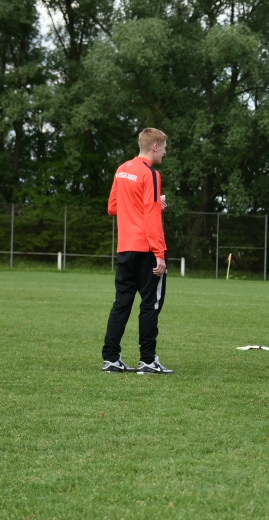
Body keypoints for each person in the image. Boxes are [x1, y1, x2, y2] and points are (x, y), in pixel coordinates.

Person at [101, 128, 174, 374]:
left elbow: (113, 207)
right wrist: (160, 253)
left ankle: (111, 359)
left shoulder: (122, 169)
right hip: (147, 249)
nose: (165, 152)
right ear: (155, 146)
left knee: (121, 303)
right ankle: (148, 361)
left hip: (125, 248)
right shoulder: (150, 174)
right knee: (150, 305)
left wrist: (153, 204)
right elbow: (150, 215)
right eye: (164, 148)